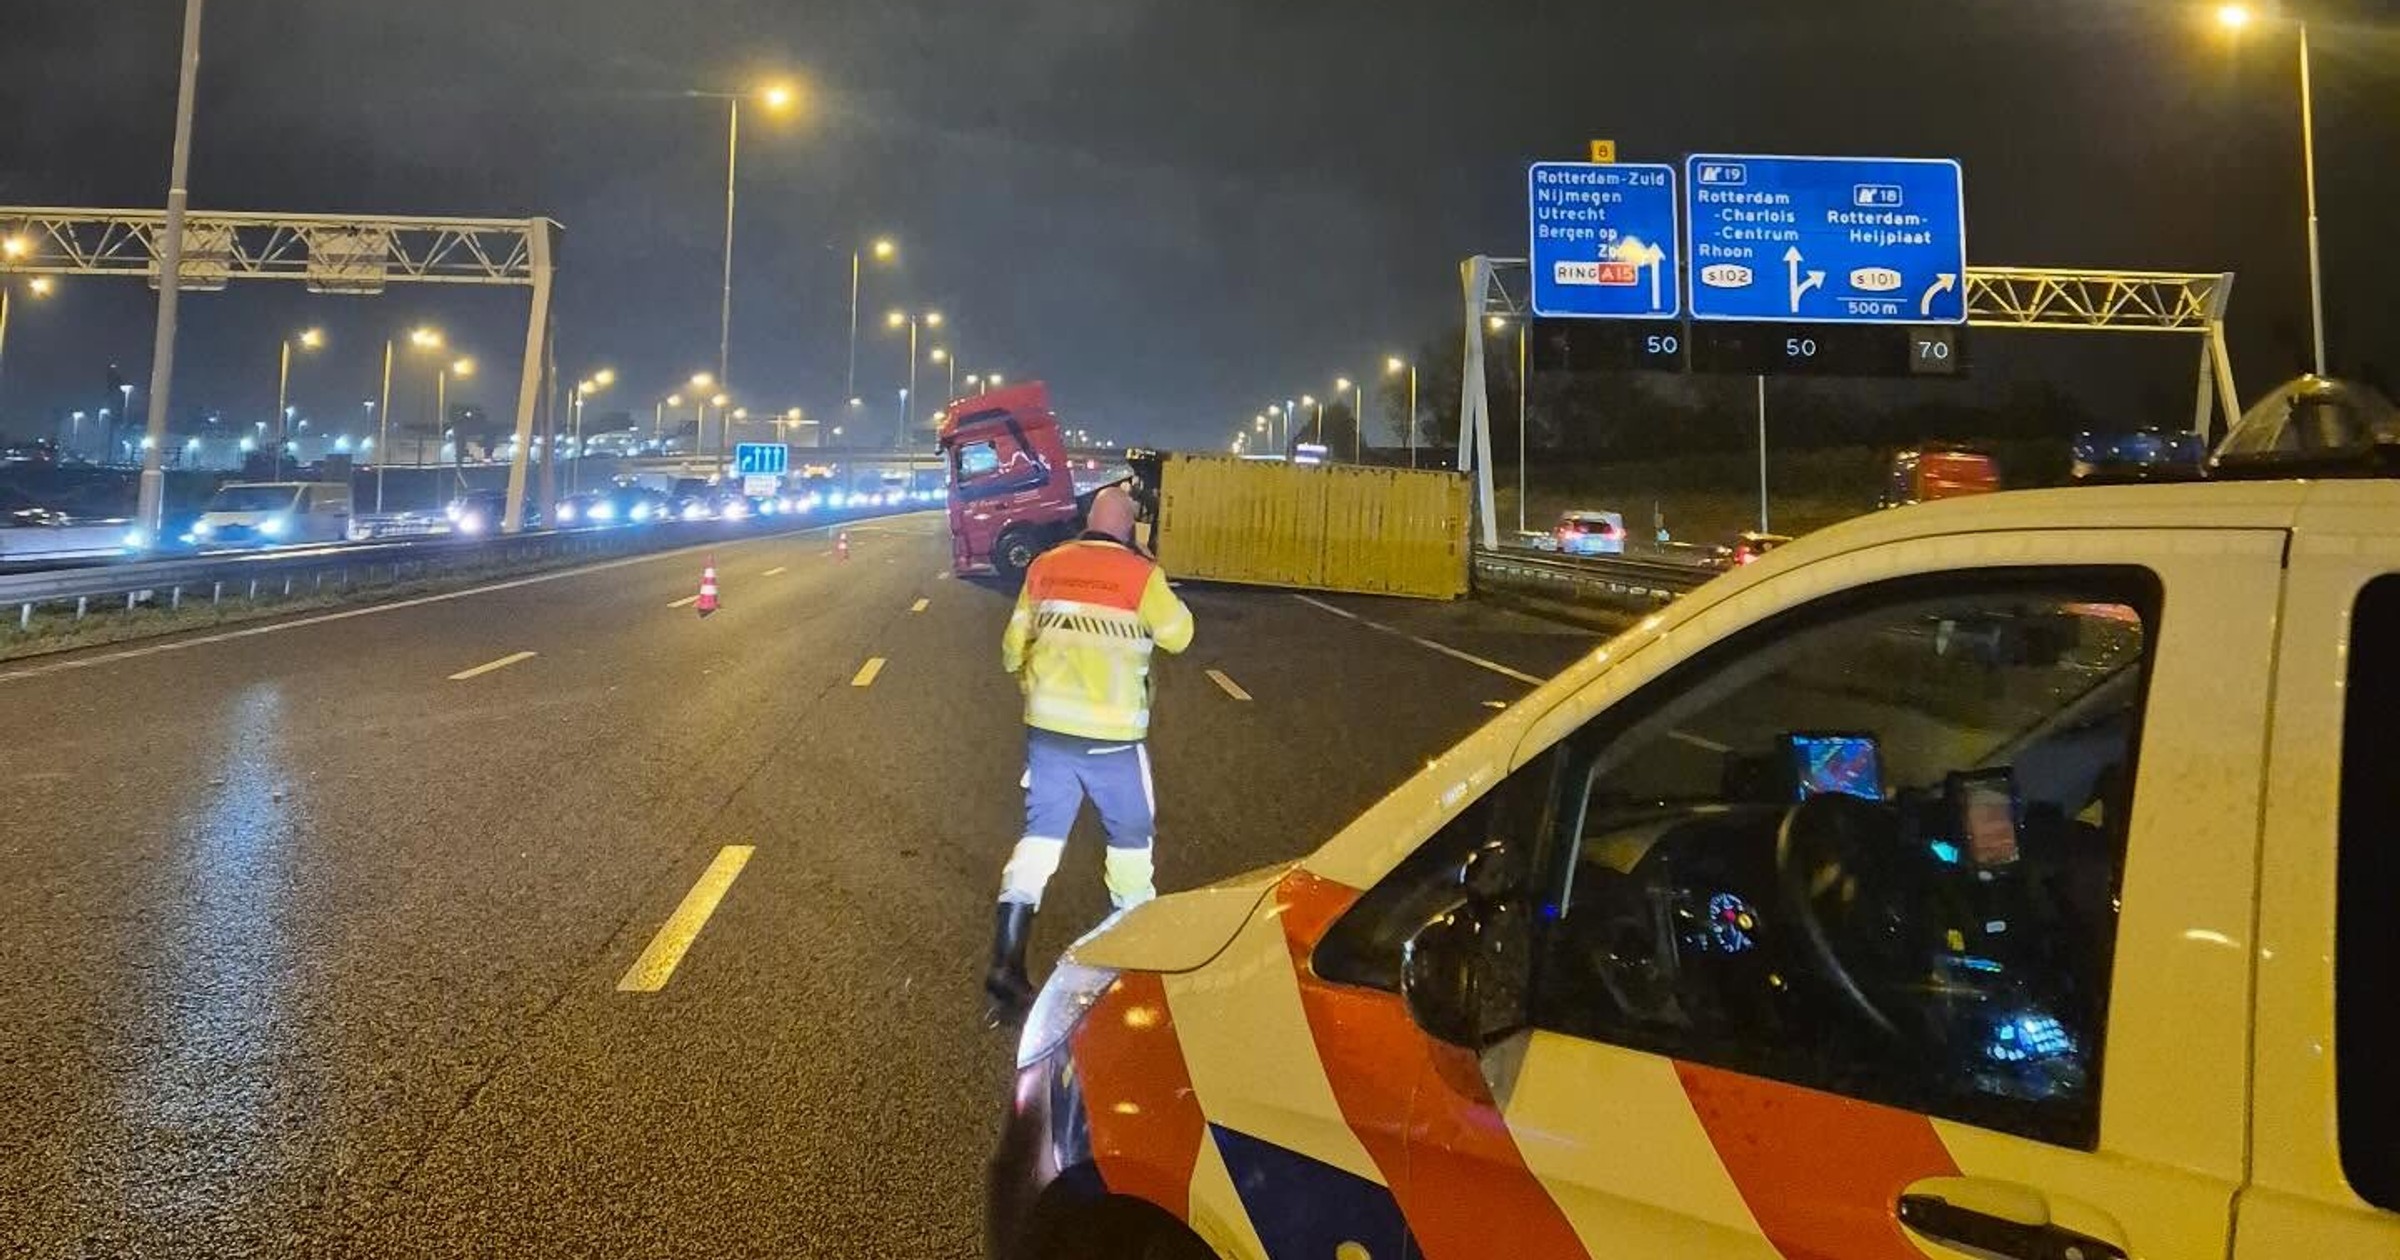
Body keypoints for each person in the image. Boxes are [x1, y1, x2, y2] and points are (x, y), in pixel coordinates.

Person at [985, 486, 1194, 1017]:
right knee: (1129, 845)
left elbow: (1013, 646)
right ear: (1129, 527)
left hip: (1049, 734)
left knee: (1040, 841)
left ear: (1087, 519)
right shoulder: (1139, 575)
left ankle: (1005, 968)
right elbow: (1180, 636)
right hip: (1112, 741)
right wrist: (1150, 571)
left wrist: (1025, 672)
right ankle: (1130, 972)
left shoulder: (1046, 565)